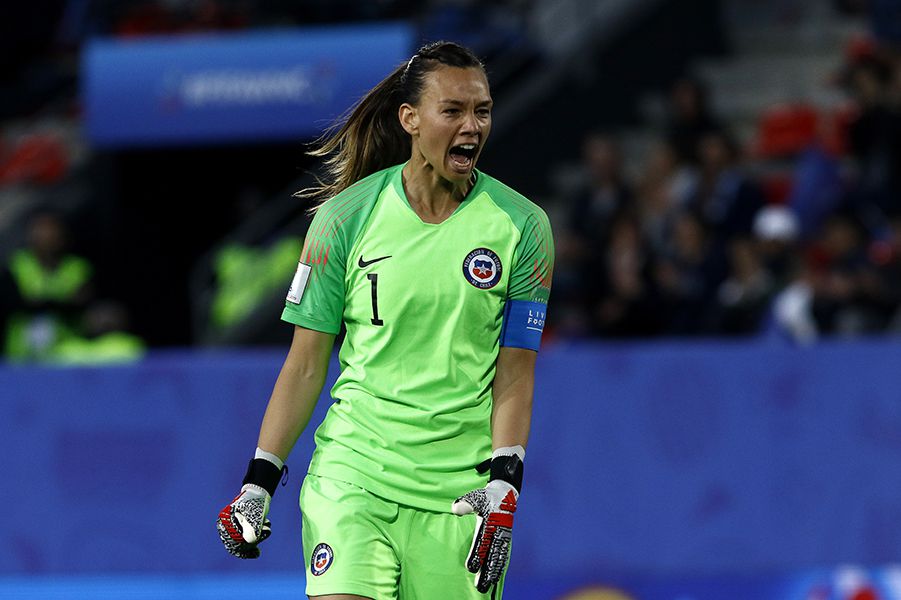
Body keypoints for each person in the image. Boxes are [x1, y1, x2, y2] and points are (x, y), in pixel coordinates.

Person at [216, 41, 554, 600]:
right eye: (453, 111)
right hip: (354, 474)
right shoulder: (343, 219)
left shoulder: (524, 227)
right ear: (410, 119)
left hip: (458, 495)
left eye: (482, 111)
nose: (472, 127)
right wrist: (259, 482)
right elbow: (305, 365)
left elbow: (515, 371)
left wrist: (504, 481)